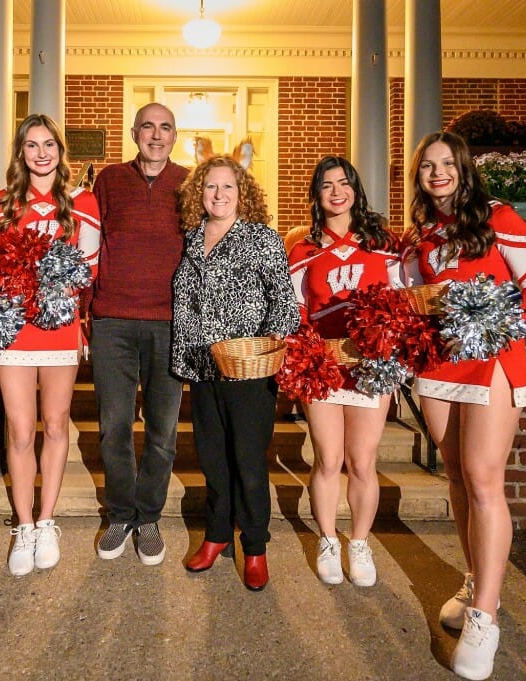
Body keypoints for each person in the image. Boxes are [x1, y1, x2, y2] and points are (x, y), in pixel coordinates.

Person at [406, 131, 526, 680]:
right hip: (440, 365)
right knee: (456, 477)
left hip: (492, 357)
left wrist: (498, 319)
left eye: (447, 164)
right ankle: (473, 579)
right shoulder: (421, 233)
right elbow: (411, 293)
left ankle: (485, 617)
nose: (438, 173)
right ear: (419, 177)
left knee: (483, 477)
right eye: (428, 167)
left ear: (464, 170)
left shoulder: (499, 216)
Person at [172, 155, 300, 591]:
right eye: (210, 187)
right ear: (199, 194)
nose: (219, 195)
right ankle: (217, 535)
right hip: (203, 367)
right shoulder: (191, 240)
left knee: (247, 461)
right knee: (212, 459)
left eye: (227, 187)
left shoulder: (263, 239)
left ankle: (257, 546)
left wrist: (266, 344)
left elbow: (284, 301)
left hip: (249, 371)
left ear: (242, 193)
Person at [0, 114, 101, 576]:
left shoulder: (81, 202)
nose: (41, 153)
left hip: (59, 326)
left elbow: (87, 269)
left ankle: (47, 519)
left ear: (60, 150)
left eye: (49, 144)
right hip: (12, 329)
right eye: (32, 145)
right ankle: (24, 526)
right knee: (19, 428)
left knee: (55, 425)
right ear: (21, 153)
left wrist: (42, 274)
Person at [287, 156, 402, 588]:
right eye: (326, 185)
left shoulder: (383, 241)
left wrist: (385, 338)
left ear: (355, 188)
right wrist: (303, 345)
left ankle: (359, 541)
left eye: (344, 183)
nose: (336, 192)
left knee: (361, 460)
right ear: (316, 195)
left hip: (370, 366)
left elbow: (403, 299)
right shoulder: (303, 247)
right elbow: (296, 309)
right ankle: (328, 540)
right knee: (328, 458)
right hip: (322, 365)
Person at [87, 103, 189, 566]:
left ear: (174, 136)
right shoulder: (108, 180)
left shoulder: (190, 182)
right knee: (114, 427)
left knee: (163, 431)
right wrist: (82, 313)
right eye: (147, 126)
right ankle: (121, 514)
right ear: (134, 133)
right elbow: (89, 244)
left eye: (164, 127)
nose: (155, 135)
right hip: (113, 321)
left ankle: (149, 516)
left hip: (170, 323)